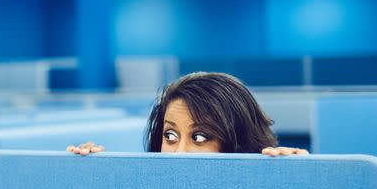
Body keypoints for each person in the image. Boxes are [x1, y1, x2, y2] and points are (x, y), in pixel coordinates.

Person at [66, 72, 308, 156]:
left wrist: (289, 179)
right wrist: (92, 174)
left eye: (200, 137)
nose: (178, 152)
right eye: (170, 135)